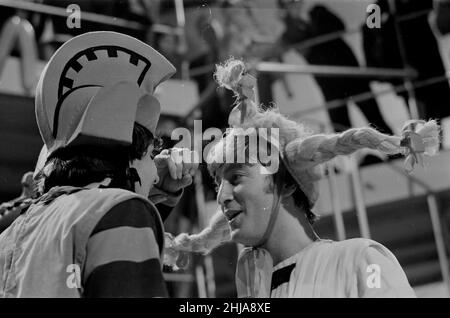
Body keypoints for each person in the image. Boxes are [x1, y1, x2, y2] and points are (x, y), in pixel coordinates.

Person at [169, 58, 440, 297]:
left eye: (236, 177)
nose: (220, 196)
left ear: (285, 183)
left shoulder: (359, 261)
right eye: (218, 183)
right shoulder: (251, 285)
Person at [0, 31, 197, 297]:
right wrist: (130, 204)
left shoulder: (10, 237)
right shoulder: (122, 212)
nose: (154, 175)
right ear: (127, 158)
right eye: (151, 155)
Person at [279, 1, 393, 135]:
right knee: (340, 127)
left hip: (349, 72)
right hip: (329, 82)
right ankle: (351, 156)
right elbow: (300, 46)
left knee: (374, 116)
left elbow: (339, 26)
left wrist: (308, 22)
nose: (293, 5)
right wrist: (293, 20)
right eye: (287, 4)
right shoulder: (291, 29)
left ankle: (394, 150)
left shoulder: (318, 11)